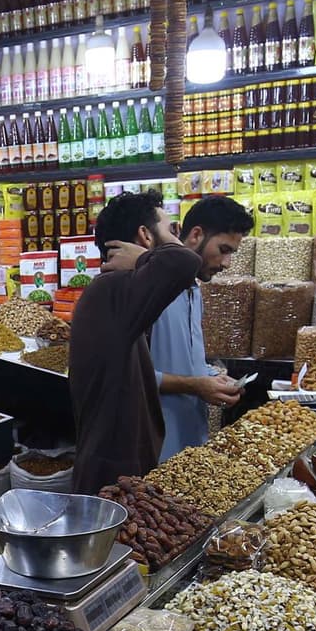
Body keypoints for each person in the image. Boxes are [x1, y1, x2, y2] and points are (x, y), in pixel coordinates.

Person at [68, 191, 211, 493]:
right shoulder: (112, 288)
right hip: (112, 475)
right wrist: (146, 257)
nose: (177, 238)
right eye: (170, 230)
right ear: (145, 235)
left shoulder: (116, 288)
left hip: (117, 466)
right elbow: (186, 262)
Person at [147, 195, 257, 459]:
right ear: (196, 235)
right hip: (156, 445)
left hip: (191, 441)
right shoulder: (150, 290)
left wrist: (211, 377)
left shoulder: (194, 289)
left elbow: (181, 356)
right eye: (224, 250)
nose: (227, 263)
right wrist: (196, 385)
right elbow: (129, 375)